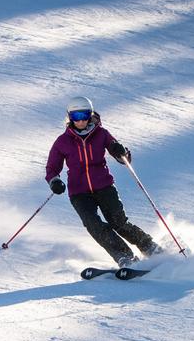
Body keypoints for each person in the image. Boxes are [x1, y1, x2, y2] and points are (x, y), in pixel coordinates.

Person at [45, 96, 161, 267]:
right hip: (79, 192)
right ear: (70, 117)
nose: (81, 120)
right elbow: (52, 168)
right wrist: (54, 181)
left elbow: (123, 158)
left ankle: (150, 247)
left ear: (90, 114)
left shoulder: (101, 134)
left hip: (104, 186)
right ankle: (124, 256)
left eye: (85, 115)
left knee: (119, 222)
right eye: (76, 116)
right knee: (94, 226)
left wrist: (120, 151)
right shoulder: (63, 141)